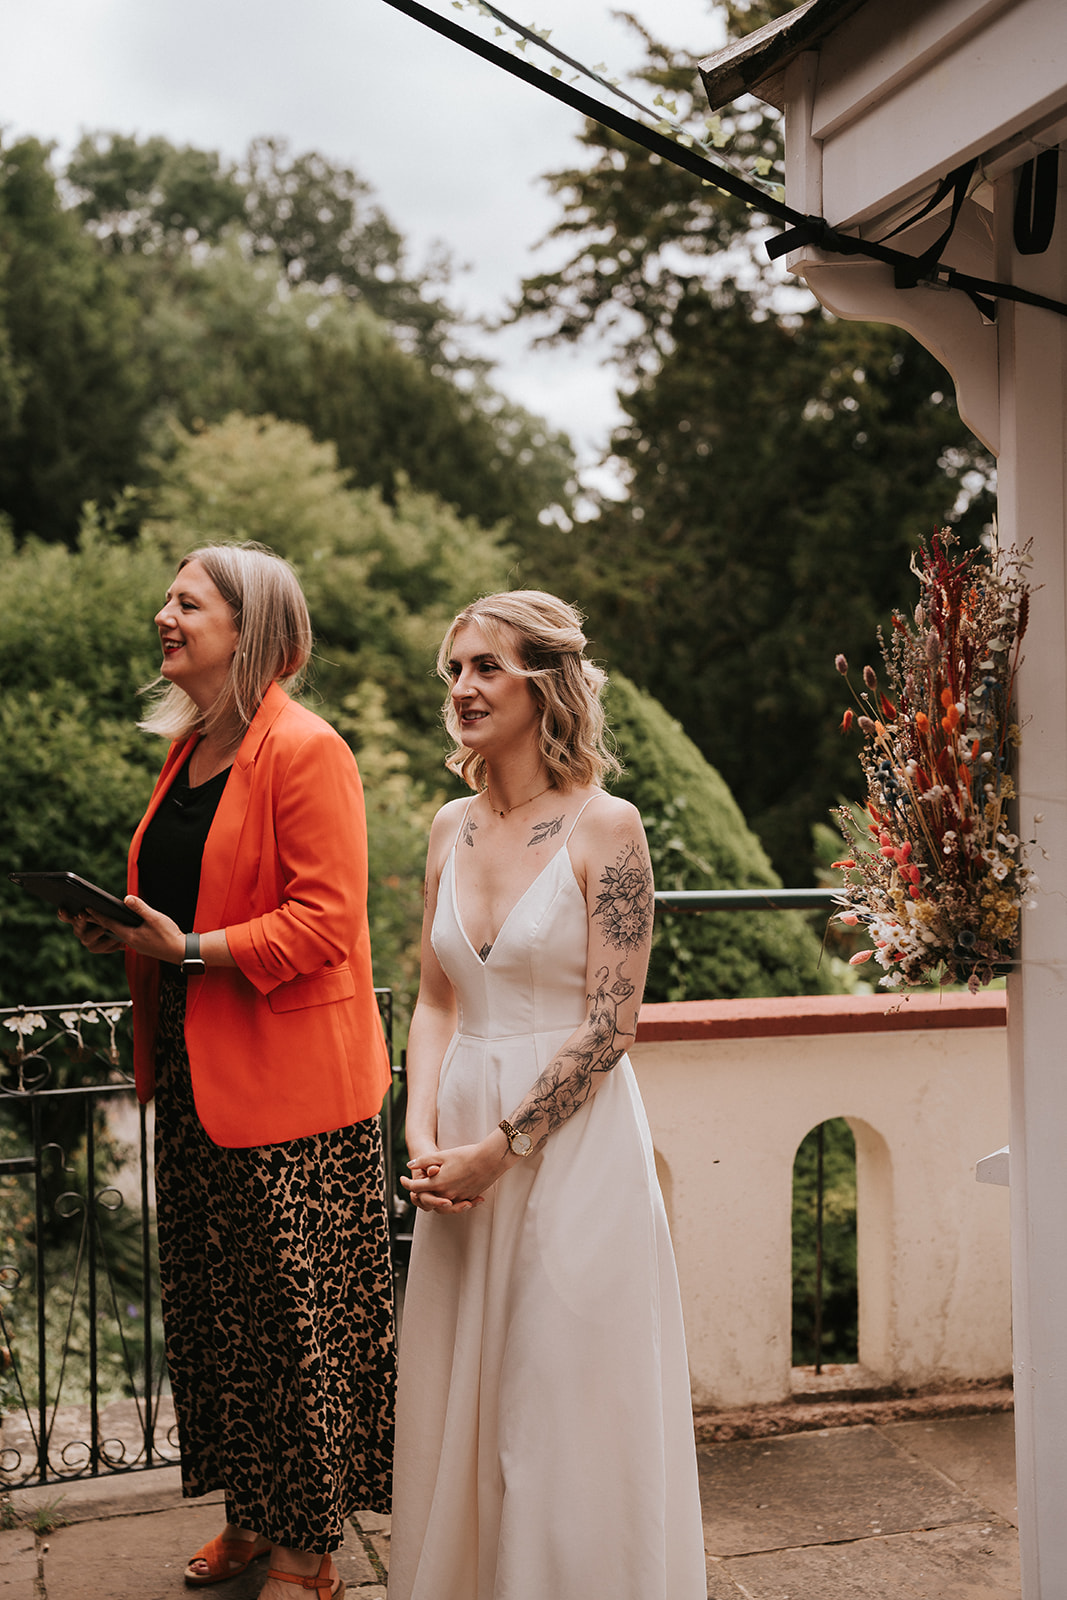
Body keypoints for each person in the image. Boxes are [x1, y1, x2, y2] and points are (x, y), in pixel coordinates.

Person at [62, 542, 395, 1600]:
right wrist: (123, 935)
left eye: (187, 602)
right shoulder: (190, 753)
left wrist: (190, 950)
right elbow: (185, 908)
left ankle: (311, 1551)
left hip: (291, 1088)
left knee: (294, 1326)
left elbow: (327, 922)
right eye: (167, 598)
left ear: (249, 632)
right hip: (196, 1077)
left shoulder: (307, 749)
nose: (164, 614)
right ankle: (252, 1518)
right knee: (219, 1315)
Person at [388, 591, 706, 1600]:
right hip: (463, 1140)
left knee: (561, 1401)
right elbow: (435, 997)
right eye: (453, 671)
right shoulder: (446, 826)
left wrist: (502, 1146)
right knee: (465, 1400)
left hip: (569, 1151)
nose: (462, 688)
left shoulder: (606, 828)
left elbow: (611, 1022)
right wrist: (421, 1119)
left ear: (543, 679)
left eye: (484, 666)